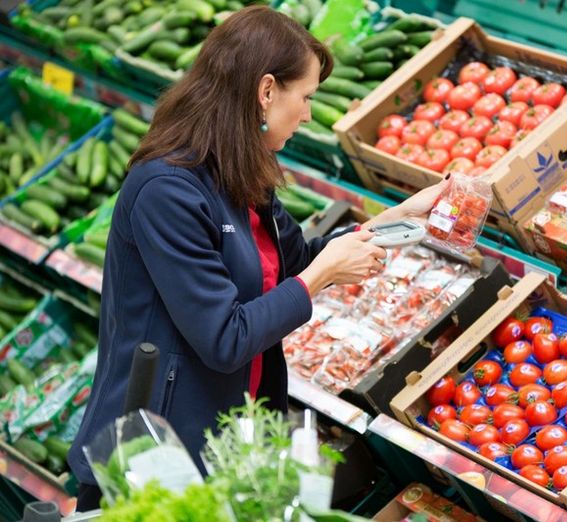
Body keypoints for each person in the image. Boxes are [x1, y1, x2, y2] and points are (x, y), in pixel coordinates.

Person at [68, 5, 448, 511]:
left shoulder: (240, 173)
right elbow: (225, 338)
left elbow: (299, 260)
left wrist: (407, 217)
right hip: (157, 449)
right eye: (306, 97)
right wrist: (321, 277)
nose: (310, 114)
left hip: (226, 434)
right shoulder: (167, 191)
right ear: (266, 91)